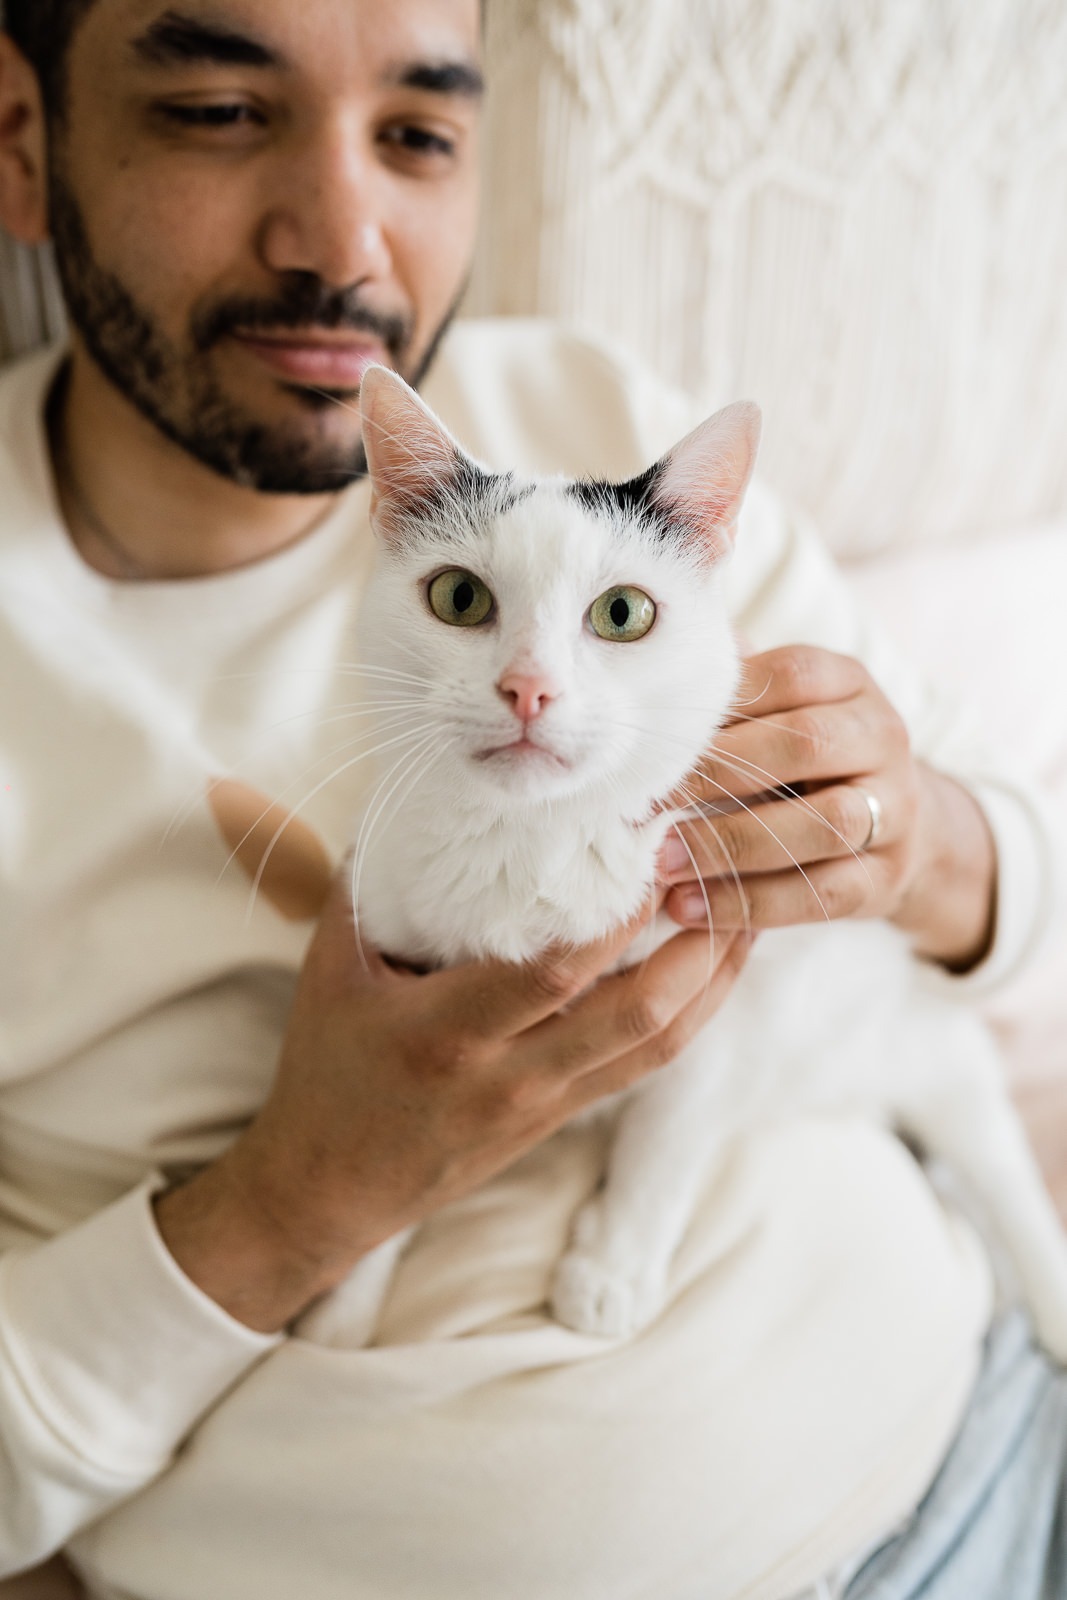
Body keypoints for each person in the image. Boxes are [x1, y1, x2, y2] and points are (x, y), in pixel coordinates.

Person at [0, 1, 1060, 1597]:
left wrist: (922, 847)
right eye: (222, 110)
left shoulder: (594, 426)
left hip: (978, 1453)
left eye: (419, 133)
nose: (341, 236)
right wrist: (305, 1191)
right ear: (22, 142)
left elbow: (1016, 876)